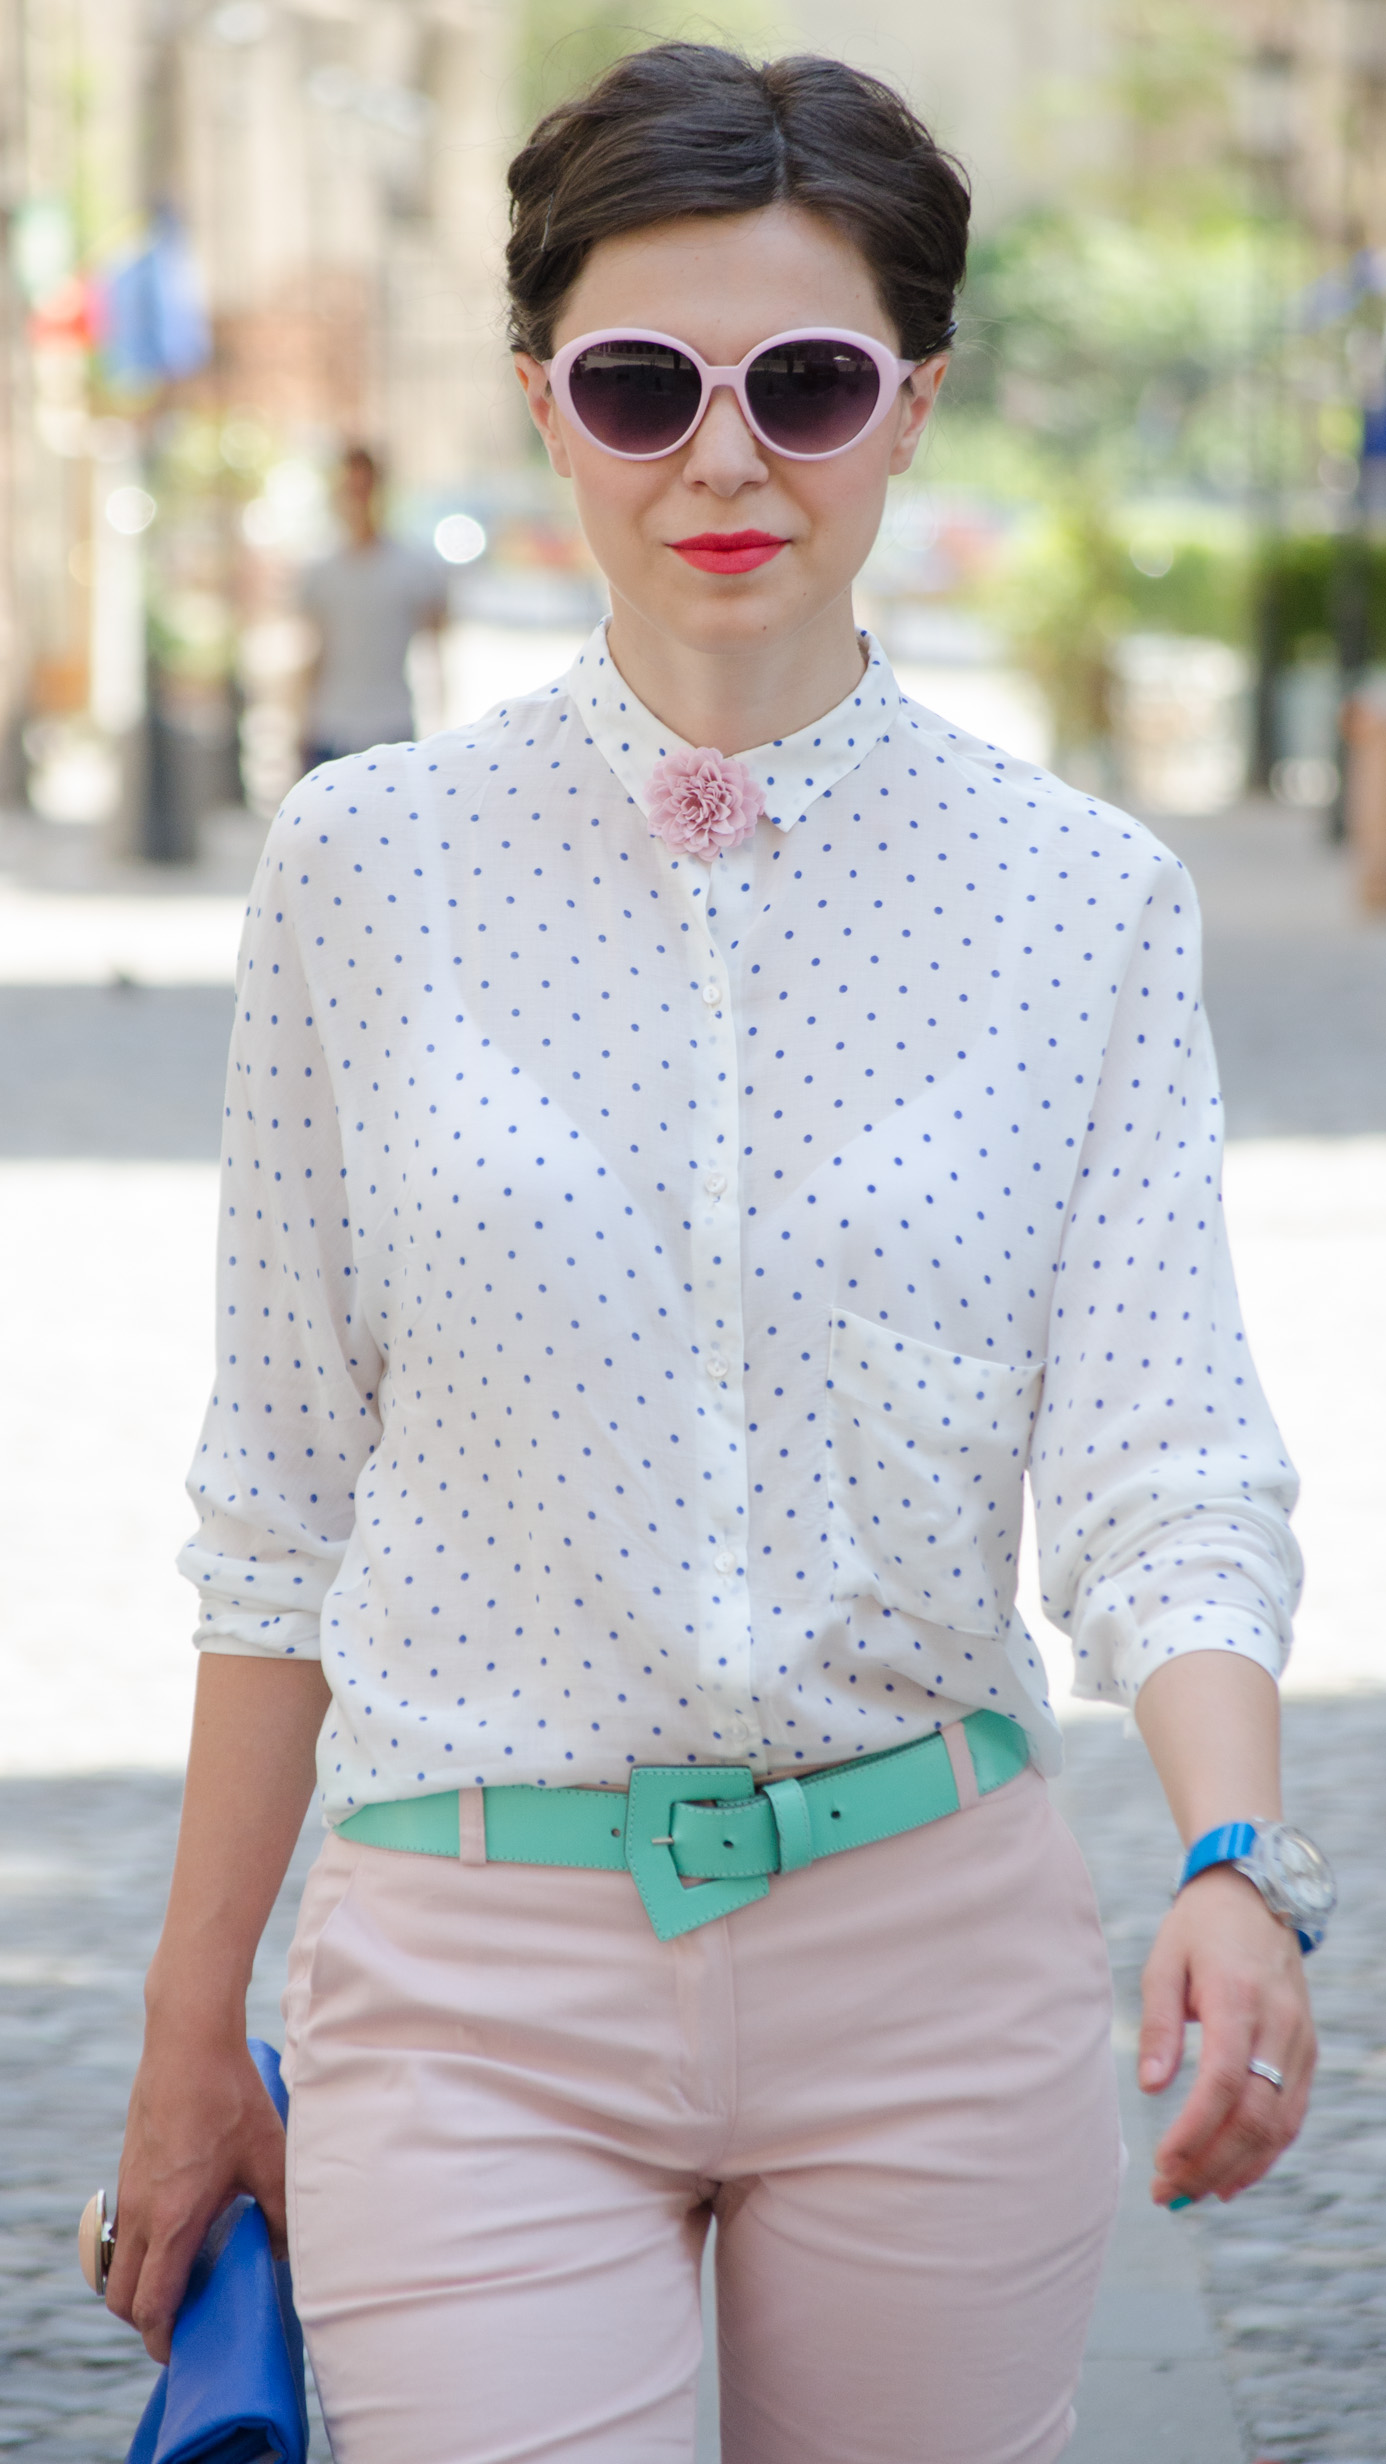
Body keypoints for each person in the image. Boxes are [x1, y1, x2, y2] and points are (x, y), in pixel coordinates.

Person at [107, 44, 1331, 2464]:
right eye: (646, 383)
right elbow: (275, 1509)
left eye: (809, 381)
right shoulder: (363, 875)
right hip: (466, 1983)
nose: (725, 456)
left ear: (915, 402)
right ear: (551, 404)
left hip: (937, 1969)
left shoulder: (1086, 905)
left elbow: (1165, 1459)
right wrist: (182, 2041)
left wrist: (1229, 1852)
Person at [297, 443, 448, 769]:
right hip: (331, 727)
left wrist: (443, 728)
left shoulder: (415, 569)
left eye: (364, 489)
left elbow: (436, 649)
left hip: (391, 726)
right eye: (350, 489)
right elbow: (313, 651)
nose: (357, 500)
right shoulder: (320, 571)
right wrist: (300, 723)